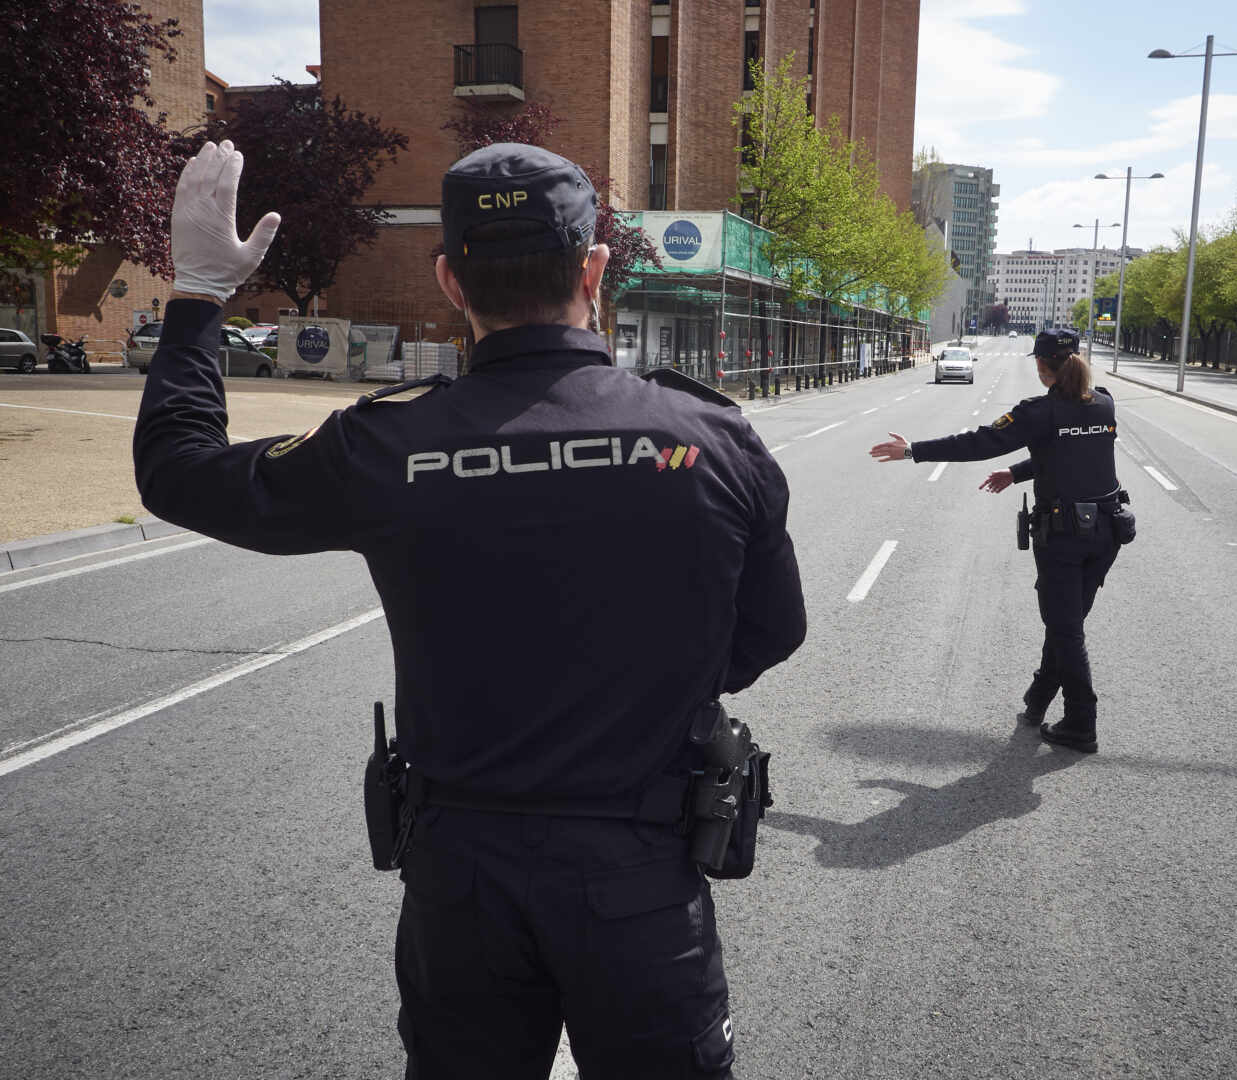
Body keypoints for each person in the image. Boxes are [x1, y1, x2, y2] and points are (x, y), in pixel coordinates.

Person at [134, 140, 806, 1078]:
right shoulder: (709, 436)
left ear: (451, 280)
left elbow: (177, 473)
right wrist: (653, 678)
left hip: (462, 882)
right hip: (640, 871)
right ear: (595, 269)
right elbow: (775, 631)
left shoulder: (387, 443)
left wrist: (202, 295)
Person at [869, 329, 1131, 754]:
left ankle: (1082, 721)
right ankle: (1039, 699)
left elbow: (979, 443)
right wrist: (1018, 473)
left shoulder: (1038, 412)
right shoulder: (1103, 402)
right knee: (1067, 623)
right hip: (1107, 531)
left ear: (1042, 366)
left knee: (1065, 627)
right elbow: (1072, 449)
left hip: (1065, 536)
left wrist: (914, 450)